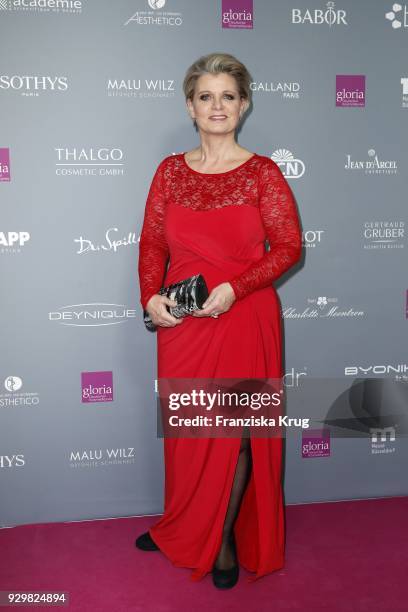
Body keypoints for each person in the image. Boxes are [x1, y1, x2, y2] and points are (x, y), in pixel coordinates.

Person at [135, 52, 302, 589]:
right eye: (205, 96)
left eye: (228, 96)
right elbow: (153, 243)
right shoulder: (168, 171)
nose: (217, 106)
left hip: (243, 316)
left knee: (237, 435)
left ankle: (224, 538)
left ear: (244, 104)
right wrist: (149, 299)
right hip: (183, 324)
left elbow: (289, 249)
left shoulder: (262, 173)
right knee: (189, 433)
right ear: (190, 106)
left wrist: (236, 287)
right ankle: (181, 527)